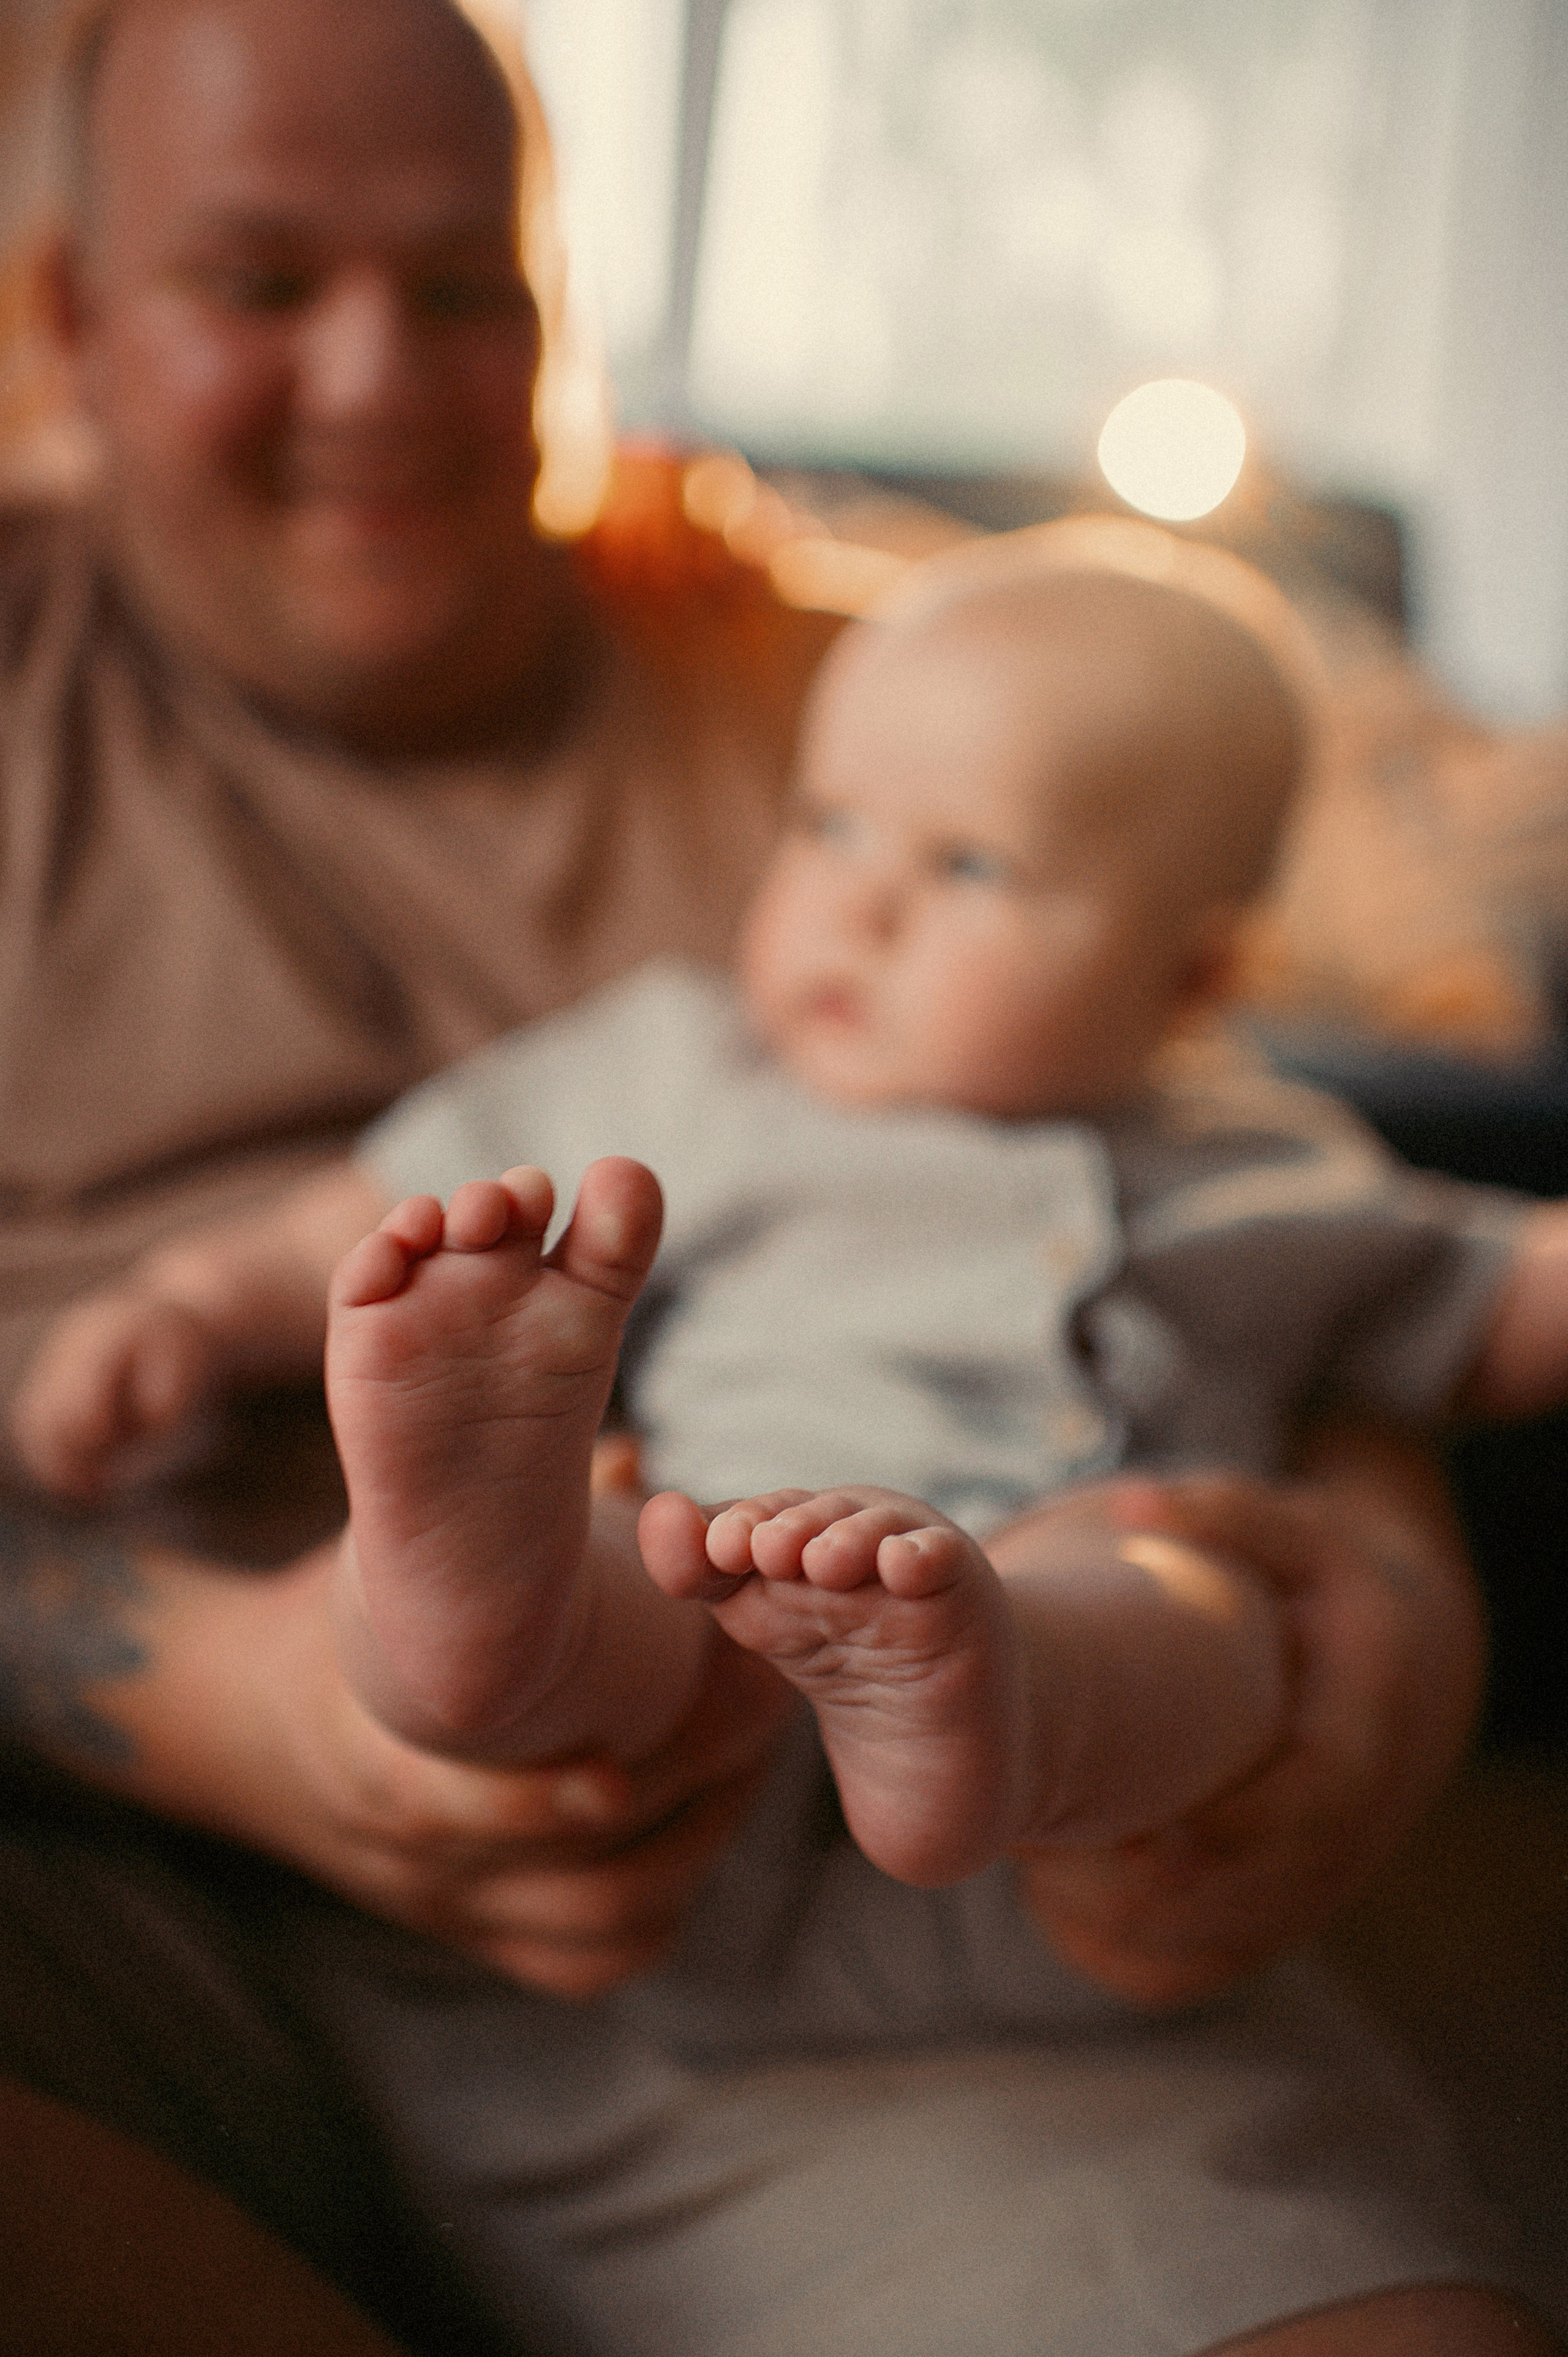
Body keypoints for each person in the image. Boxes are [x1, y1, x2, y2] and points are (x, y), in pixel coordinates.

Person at [0, 0, 1550, 2350]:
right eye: (257, 280)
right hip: (107, 1885)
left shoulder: (865, 682)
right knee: (609, 1582)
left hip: (918, 1818)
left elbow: (1267, 1223)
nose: (379, 381)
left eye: (463, 291)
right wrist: (207, 1685)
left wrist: (1384, 1623)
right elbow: (335, 1242)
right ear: (65, 317)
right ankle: (458, 1596)